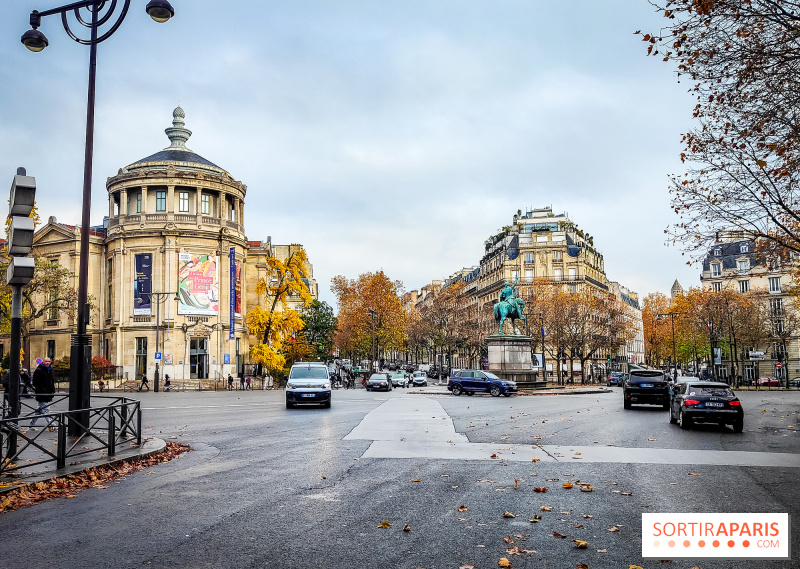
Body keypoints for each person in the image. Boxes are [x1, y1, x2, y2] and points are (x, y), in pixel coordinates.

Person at [30, 357, 55, 431]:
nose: (47, 363)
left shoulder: (49, 370)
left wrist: (52, 390)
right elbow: (35, 382)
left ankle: (31, 425)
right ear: (43, 362)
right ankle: (52, 425)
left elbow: (51, 381)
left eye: (49, 361)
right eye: (46, 361)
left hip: (47, 394)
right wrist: (42, 390)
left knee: (38, 411)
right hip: (41, 394)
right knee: (46, 410)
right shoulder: (39, 370)